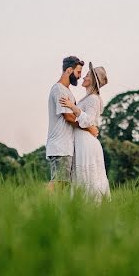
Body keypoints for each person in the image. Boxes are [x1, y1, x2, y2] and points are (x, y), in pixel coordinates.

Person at [59, 62, 110, 200]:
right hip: (80, 141)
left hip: (86, 144)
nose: (83, 78)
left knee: (88, 180)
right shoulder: (87, 98)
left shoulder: (93, 99)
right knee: (80, 179)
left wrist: (72, 107)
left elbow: (88, 121)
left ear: (93, 80)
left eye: (87, 75)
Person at [46, 55, 98, 190]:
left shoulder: (67, 91)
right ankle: (34, 207)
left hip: (66, 146)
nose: (80, 76)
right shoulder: (58, 89)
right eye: (78, 72)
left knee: (62, 184)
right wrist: (89, 128)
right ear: (69, 70)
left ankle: (50, 210)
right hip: (59, 145)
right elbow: (68, 117)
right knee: (58, 182)